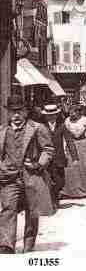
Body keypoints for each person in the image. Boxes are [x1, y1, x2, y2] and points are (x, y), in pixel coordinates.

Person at [0, 95, 55, 254]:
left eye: (19, 111)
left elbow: (48, 149)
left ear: (25, 111)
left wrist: (39, 164)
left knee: (33, 210)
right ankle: (6, 244)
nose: (16, 115)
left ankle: (28, 243)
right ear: (8, 113)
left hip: (32, 176)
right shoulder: (2, 131)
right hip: (9, 177)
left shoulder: (37, 128)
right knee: (8, 208)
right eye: (12, 112)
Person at [41, 104, 78, 210]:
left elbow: (69, 140)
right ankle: (53, 201)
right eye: (49, 115)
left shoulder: (62, 126)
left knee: (60, 182)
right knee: (48, 181)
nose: (51, 117)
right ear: (46, 116)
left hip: (59, 157)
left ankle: (55, 196)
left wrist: (75, 157)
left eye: (53, 115)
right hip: (45, 158)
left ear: (56, 115)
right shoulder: (42, 126)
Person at [60, 104, 86, 199]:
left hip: (83, 145)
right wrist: (64, 148)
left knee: (84, 167)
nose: (72, 114)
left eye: (74, 112)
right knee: (70, 168)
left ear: (78, 112)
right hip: (71, 145)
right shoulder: (67, 121)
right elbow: (65, 136)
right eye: (70, 112)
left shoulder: (85, 120)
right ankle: (69, 192)